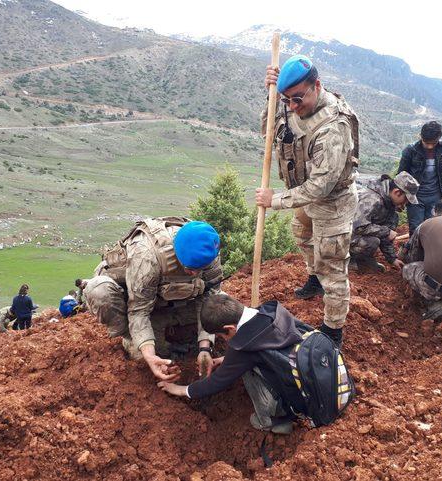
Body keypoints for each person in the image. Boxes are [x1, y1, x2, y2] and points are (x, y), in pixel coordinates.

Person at [255, 54, 360, 348]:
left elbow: (321, 186)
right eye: (286, 100)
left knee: (333, 267)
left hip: (331, 203)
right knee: (301, 234)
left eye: (297, 99)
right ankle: (315, 278)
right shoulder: (294, 102)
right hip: (304, 196)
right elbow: (268, 132)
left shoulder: (333, 127)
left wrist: (274, 199)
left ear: (317, 85)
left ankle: (332, 332)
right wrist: (271, 96)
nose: (292, 107)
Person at [158, 294, 354, 434]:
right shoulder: (272, 312)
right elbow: (275, 345)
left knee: (247, 371)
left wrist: (180, 389)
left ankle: (272, 420)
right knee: (251, 363)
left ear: (229, 328)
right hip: (324, 380)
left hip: (307, 403)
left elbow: (216, 382)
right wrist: (226, 360)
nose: (223, 340)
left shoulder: (243, 347)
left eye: (220, 335)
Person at [98, 217, 223, 382]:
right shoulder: (147, 257)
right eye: (191, 269)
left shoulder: (209, 249)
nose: (195, 274)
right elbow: (139, 310)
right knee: (99, 293)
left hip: (173, 300)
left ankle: (174, 326)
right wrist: (149, 355)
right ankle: (130, 338)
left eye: (200, 269)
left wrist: (205, 348)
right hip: (138, 299)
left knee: (223, 305)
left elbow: (210, 298)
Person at [397, 121, 442, 234]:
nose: (429, 146)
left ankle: (432, 251)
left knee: (434, 228)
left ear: (439, 138)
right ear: (420, 136)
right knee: (416, 229)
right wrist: (401, 198)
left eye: (433, 143)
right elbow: (401, 175)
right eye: (426, 143)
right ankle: (416, 251)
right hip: (415, 197)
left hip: (436, 196)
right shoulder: (411, 150)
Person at [350, 172, 420, 272]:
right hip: (338, 236)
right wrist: (386, 231)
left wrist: (392, 259)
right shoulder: (371, 199)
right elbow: (358, 226)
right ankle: (349, 261)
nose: (404, 205)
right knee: (372, 242)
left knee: (383, 231)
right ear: (397, 192)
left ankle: (361, 260)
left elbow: (386, 236)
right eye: (405, 200)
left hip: (352, 236)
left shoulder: (389, 204)